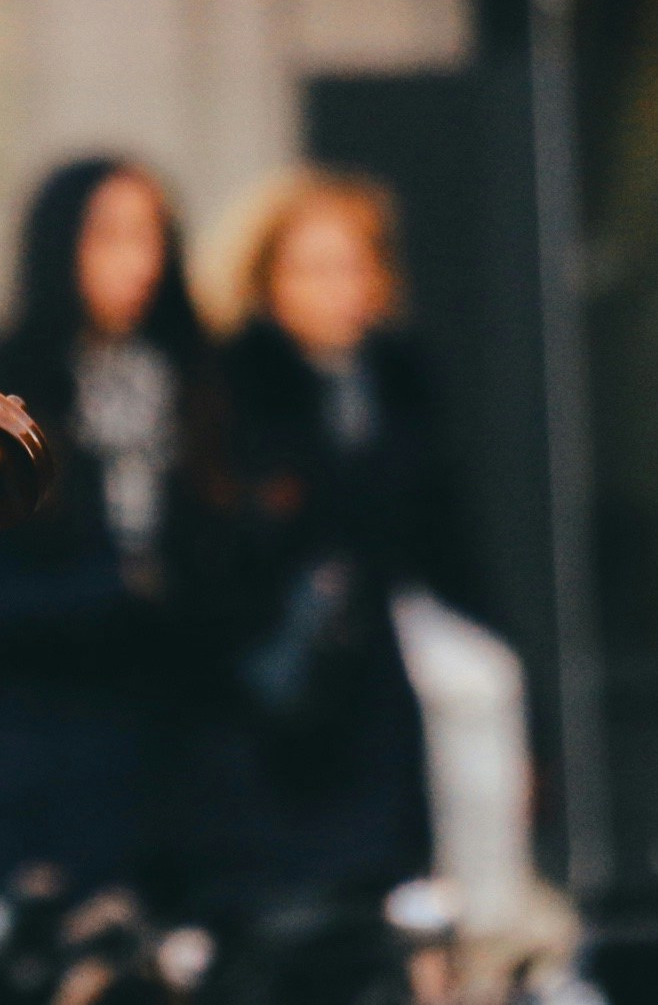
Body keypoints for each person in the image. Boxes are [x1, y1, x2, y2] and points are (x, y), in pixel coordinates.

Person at [0, 157, 221, 905]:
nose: (138, 262)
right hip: (37, 729)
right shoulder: (3, 385)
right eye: (109, 237)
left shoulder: (195, 377)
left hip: (169, 733)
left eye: (151, 237)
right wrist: (113, 589)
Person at [204, 166, 472, 900]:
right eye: (312, 268)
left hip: (375, 685)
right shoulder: (234, 388)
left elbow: (450, 548)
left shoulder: (400, 384)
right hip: (269, 697)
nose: (339, 289)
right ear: (265, 280)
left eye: (354, 265)